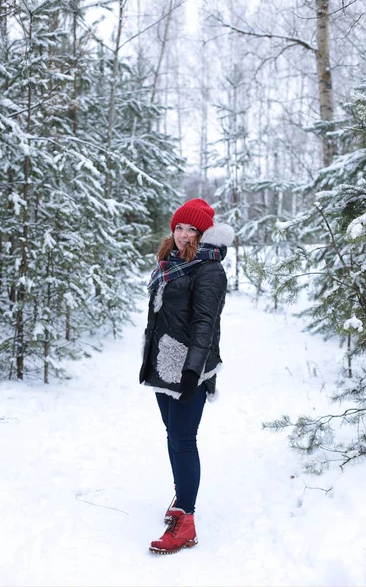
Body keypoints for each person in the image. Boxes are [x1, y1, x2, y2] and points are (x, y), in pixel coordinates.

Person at [139, 198, 234, 555]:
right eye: (178, 227)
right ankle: (181, 500)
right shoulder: (171, 262)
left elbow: (205, 322)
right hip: (164, 364)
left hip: (189, 368)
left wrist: (193, 368)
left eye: (190, 229)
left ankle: (187, 521)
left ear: (203, 232)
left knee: (184, 440)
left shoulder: (209, 269)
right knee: (173, 435)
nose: (182, 235)